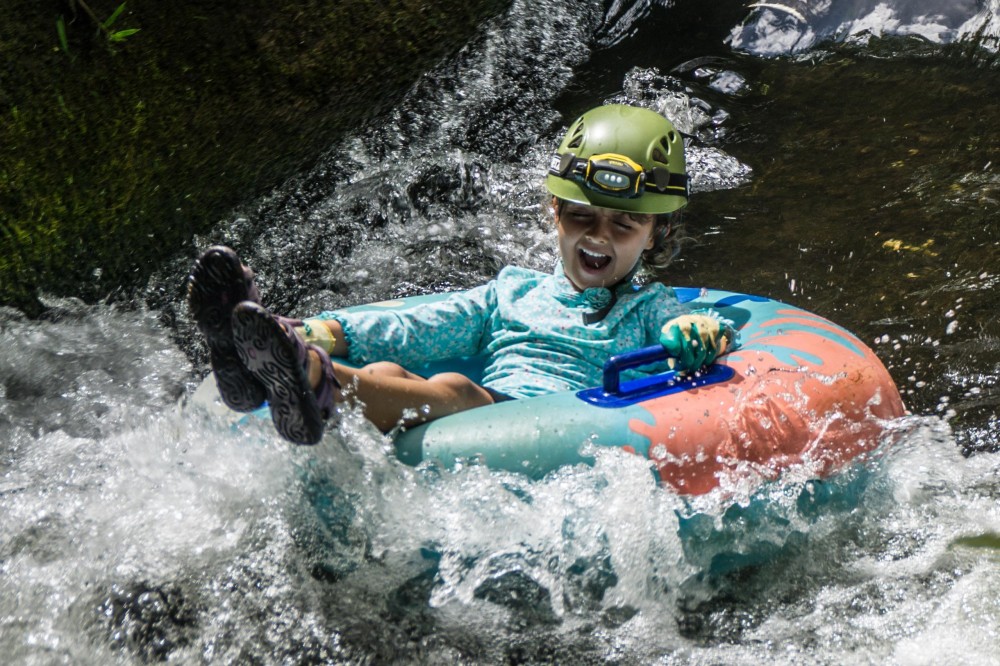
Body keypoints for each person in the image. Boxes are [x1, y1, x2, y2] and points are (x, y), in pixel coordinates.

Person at [187, 104, 736, 445]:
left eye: (624, 225)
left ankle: (308, 376)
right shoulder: (512, 293)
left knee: (456, 388)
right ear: (554, 213)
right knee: (385, 367)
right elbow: (421, 325)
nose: (598, 236)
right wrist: (319, 329)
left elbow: (701, 330)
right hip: (483, 419)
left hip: (552, 430)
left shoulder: (649, 307)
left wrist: (698, 333)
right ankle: (264, 367)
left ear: (655, 233)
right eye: (581, 216)